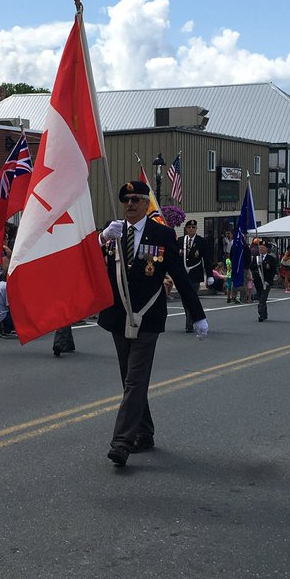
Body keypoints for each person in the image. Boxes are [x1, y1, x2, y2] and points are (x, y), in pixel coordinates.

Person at [98, 180, 208, 467]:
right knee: (130, 381)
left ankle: (121, 442)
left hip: (147, 317)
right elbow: (90, 265)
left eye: (136, 199)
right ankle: (144, 433)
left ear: (147, 204)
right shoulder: (113, 233)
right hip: (118, 315)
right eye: (127, 200)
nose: (131, 204)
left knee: (135, 380)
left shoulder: (162, 234)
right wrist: (100, 240)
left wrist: (197, 314)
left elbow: (180, 276)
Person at [180, 219, 213, 331]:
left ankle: (189, 324)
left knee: (191, 297)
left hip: (195, 274)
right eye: (189, 227)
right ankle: (190, 319)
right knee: (184, 299)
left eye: (193, 228)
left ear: (196, 229)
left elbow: (207, 259)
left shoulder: (201, 241)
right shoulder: (180, 241)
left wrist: (210, 275)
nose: (191, 229)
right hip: (183, 275)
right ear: (186, 229)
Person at [249, 238, 278, 322]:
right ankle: (264, 314)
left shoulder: (271, 259)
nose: (261, 249)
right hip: (258, 281)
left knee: (262, 299)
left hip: (266, 282)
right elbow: (252, 267)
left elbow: (272, 271)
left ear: (267, 249)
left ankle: (261, 315)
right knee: (260, 297)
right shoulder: (257, 258)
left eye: (262, 248)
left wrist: (268, 281)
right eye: (260, 248)